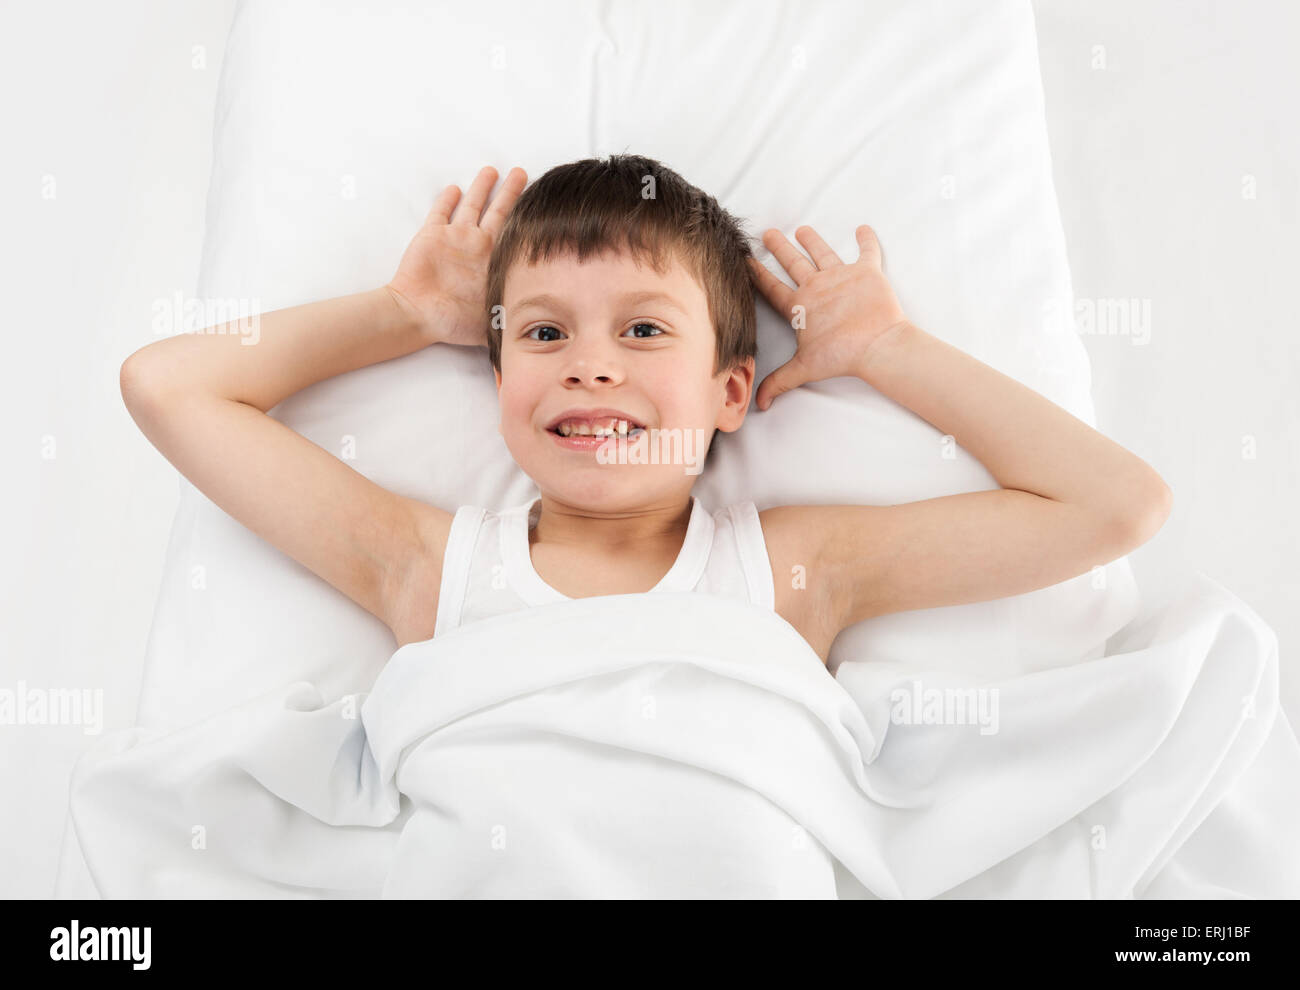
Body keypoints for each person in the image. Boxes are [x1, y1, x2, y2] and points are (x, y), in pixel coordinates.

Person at [119, 155, 1171, 667]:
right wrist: (403, 314)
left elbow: (1116, 505)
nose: (588, 369)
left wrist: (888, 351)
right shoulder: (428, 567)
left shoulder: (795, 571)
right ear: (499, 392)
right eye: (541, 335)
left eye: (642, 331)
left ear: (728, 393)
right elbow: (167, 387)